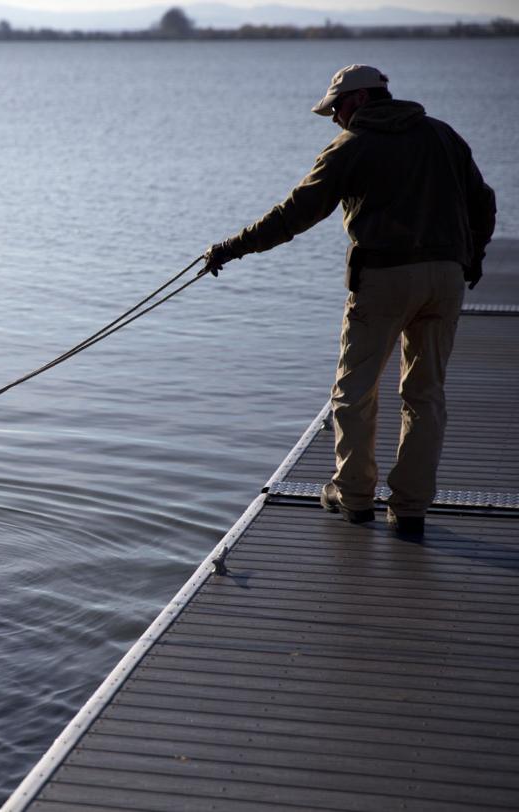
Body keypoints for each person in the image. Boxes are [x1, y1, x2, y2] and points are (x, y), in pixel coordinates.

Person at [203, 64, 495, 538]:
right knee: (426, 395)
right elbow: (484, 201)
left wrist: (228, 249)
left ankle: (355, 498)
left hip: (382, 278)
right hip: (445, 277)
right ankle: (411, 509)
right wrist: (473, 258)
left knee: (354, 392)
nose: (335, 118)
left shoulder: (352, 146)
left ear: (358, 100)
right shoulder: (443, 136)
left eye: (336, 108)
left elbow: (293, 215)